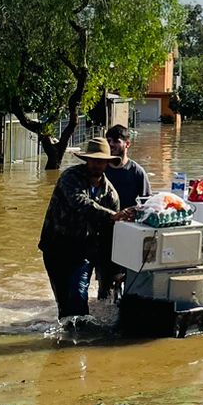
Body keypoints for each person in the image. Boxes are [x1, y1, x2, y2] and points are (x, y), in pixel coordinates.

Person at [37, 136, 134, 319]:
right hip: (56, 247)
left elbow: (110, 234)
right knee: (64, 302)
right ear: (87, 160)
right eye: (94, 160)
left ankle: (82, 337)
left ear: (107, 164)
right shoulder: (70, 177)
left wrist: (114, 271)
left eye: (101, 161)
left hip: (84, 251)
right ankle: (66, 340)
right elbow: (79, 202)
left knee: (79, 295)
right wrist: (111, 215)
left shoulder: (111, 194)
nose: (97, 165)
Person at [99, 123, 152, 301]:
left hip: (129, 233)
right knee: (104, 278)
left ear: (127, 144)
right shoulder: (101, 169)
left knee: (126, 275)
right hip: (104, 231)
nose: (111, 145)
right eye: (108, 141)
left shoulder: (137, 172)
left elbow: (147, 204)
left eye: (116, 141)